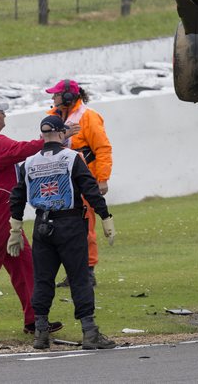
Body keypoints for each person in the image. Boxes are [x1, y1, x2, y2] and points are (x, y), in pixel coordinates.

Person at [0, 100, 66, 337]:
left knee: (25, 264)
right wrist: (51, 140)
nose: (5, 115)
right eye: (2, 112)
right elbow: (21, 149)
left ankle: (35, 319)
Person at [8, 114, 117, 350]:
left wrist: (15, 228)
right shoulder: (72, 157)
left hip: (41, 226)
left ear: (41, 136)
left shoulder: (28, 162)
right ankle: (90, 332)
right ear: (61, 134)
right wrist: (105, 216)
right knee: (79, 277)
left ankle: (41, 332)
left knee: (42, 279)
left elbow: (17, 197)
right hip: (70, 224)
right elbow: (90, 189)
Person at [46, 79, 112, 287]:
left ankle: (88, 271)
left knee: (86, 227)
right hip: (60, 181)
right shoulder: (52, 117)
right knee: (64, 228)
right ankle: (74, 271)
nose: (53, 98)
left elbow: (102, 148)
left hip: (83, 180)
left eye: (56, 95)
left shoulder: (88, 117)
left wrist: (102, 179)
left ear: (68, 96)